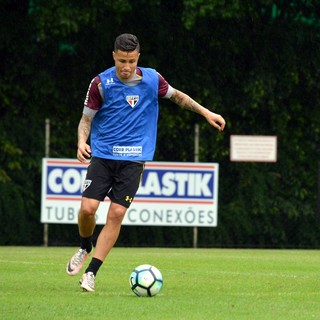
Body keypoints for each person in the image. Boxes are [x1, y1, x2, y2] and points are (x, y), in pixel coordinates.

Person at [66, 33, 226, 292]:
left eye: (130, 61)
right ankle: (85, 245)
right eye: (121, 61)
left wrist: (207, 113)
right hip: (104, 155)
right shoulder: (100, 83)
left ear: (138, 57)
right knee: (87, 210)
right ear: (113, 57)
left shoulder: (152, 79)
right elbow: (86, 119)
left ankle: (91, 272)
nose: (126, 67)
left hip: (134, 159)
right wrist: (81, 141)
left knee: (116, 213)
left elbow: (179, 98)